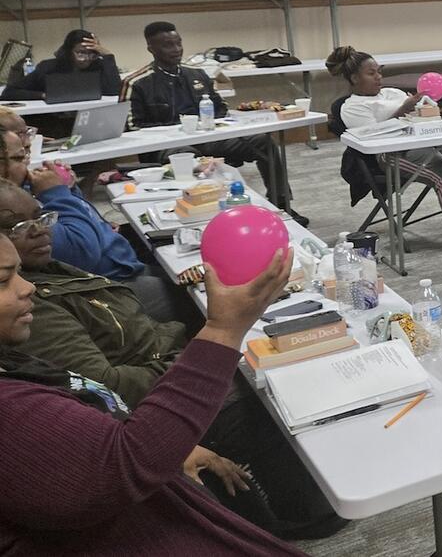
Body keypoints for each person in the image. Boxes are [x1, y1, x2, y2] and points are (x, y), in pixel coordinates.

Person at [0, 181, 340, 540]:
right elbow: (109, 394)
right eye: (5, 278)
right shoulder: (31, 337)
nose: (26, 288)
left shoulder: (46, 273)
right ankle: (303, 512)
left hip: (160, 363)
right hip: (156, 385)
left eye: (40, 217)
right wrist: (202, 350)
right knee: (263, 399)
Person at [2, 129, 193, 325]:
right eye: (19, 156)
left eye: (27, 149)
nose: (28, 161)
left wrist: (69, 188)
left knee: (190, 275)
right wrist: (56, 193)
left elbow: (88, 219)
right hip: (103, 286)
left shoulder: (24, 190)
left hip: (121, 268)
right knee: (199, 297)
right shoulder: (15, 209)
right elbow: (83, 252)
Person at [326, 47, 442, 256]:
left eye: (379, 71)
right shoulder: (352, 107)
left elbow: (421, 115)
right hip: (393, 153)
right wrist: (404, 109)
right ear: (354, 78)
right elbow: (374, 136)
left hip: (427, 140)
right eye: (371, 73)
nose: (378, 77)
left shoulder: (392, 92)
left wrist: (425, 107)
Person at [126, 22, 301, 223]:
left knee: (264, 142)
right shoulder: (138, 82)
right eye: (167, 45)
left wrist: (211, 124)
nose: (176, 50)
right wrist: (178, 129)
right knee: (187, 156)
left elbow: (220, 108)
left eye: (178, 43)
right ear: (151, 49)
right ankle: (201, 215)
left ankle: (281, 203)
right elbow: (134, 127)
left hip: (209, 137)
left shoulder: (196, 74)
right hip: (170, 146)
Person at [3, 29, 121, 99]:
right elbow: (9, 92)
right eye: (81, 53)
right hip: (53, 122)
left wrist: (107, 55)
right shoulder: (49, 68)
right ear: (69, 51)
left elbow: (114, 91)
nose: (86, 59)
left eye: (92, 54)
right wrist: (43, 95)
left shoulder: (98, 66)